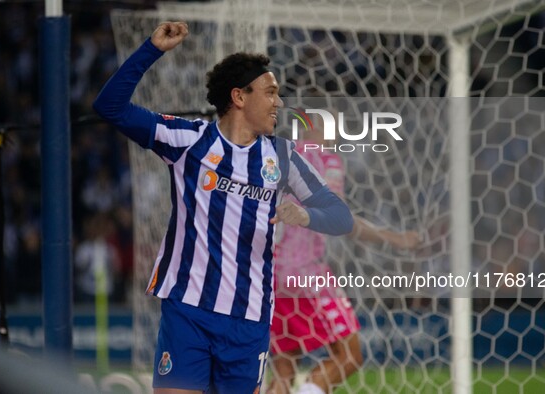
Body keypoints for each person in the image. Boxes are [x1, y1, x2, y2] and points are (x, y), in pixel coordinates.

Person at [93, 21, 354, 394]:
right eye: (270, 92)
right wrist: (151, 49)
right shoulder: (189, 140)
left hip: (248, 322)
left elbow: (341, 216)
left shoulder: (284, 157)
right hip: (188, 311)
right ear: (239, 97)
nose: (278, 102)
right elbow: (109, 107)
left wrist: (307, 214)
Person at [268, 121, 420, 394]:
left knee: (284, 370)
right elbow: (342, 221)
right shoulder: (326, 160)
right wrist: (394, 238)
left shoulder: (280, 157)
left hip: (273, 277)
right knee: (349, 357)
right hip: (306, 274)